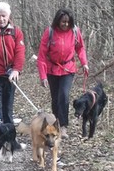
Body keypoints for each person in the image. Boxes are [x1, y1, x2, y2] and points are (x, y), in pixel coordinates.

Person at [37, 8, 88, 139]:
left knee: (64, 96)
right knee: (55, 99)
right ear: (58, 21)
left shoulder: (75, 31)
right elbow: (42, 55)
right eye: (63, 22)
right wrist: (43, 76)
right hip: (52, 69)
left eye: (67, 22)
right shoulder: (50, 32)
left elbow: (80, 48)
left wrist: (84, 63)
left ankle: (64, 126)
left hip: (68, 69)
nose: (65, 24)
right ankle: (56, 124)